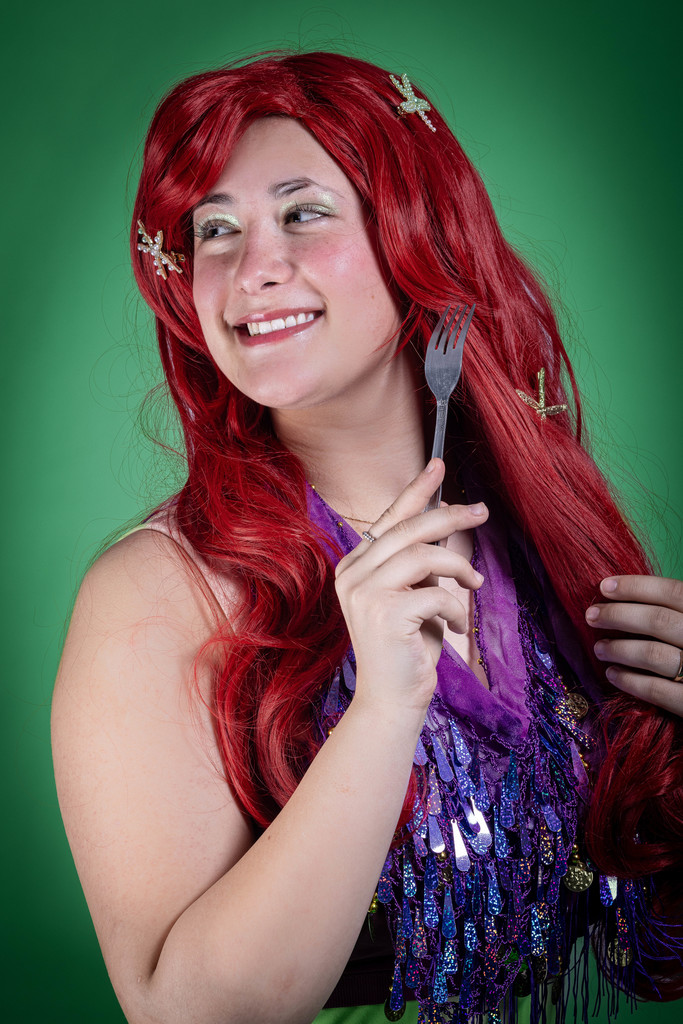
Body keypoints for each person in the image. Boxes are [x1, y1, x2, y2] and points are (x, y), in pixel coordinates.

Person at [51, 50, 683, 1024]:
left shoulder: (550, 541)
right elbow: (181, 1014)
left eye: (303, 212)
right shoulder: (152, 595)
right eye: (214, 228)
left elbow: (650, 950)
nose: (252, 268)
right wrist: (382, 710)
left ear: (413, 241)